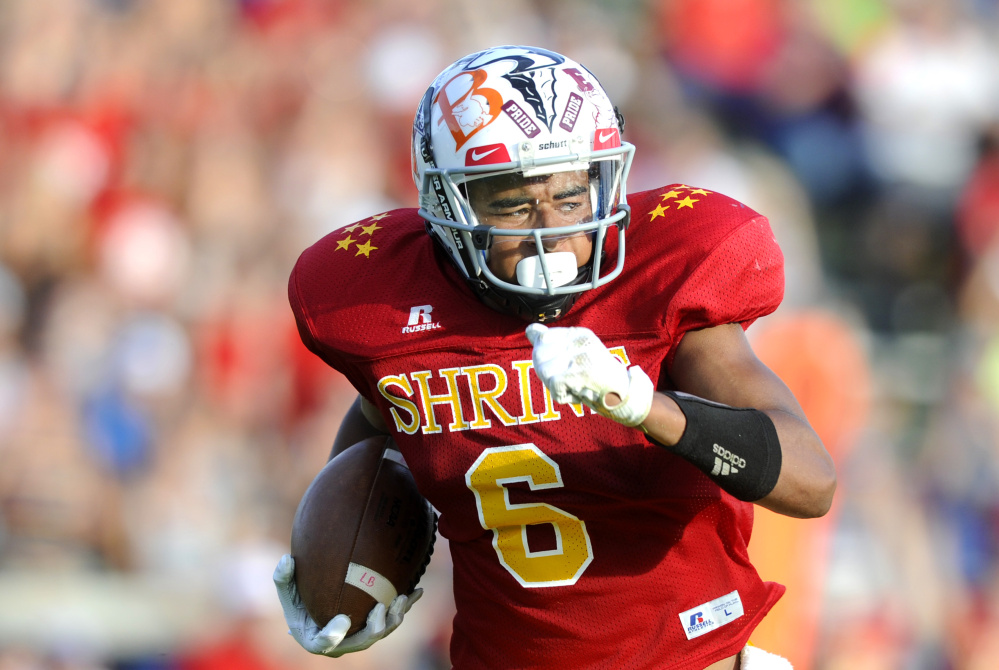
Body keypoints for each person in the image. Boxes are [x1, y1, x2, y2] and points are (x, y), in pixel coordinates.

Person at [273, 45, 836, 670]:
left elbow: (811, 481)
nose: (552, 231)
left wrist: (647, 407)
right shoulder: (393, 308)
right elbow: (380, 423)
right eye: (513, 204)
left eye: (571, 198)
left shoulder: (660, 283)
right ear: (448, 207)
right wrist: (352, 560)